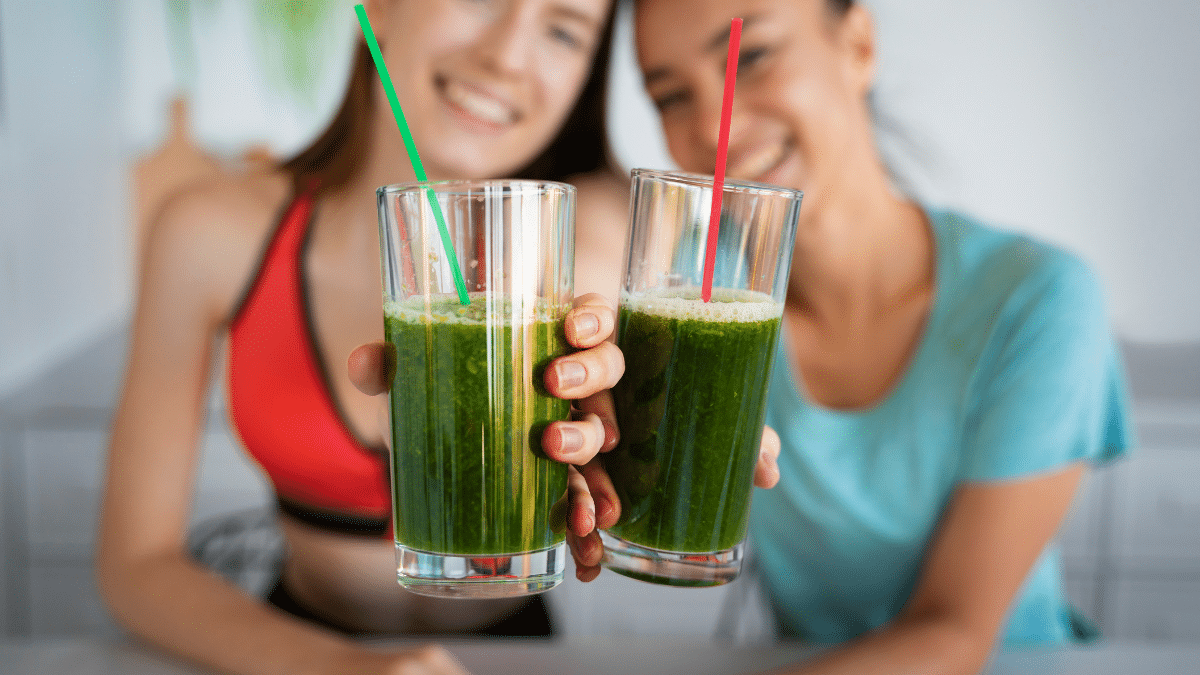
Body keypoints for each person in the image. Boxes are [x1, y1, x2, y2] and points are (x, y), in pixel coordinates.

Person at [569, 0, 1129, 673]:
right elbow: (593, 249)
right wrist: (573, 371)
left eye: (751, 58)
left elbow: (954, 631)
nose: (719, 128)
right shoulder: (691, 293)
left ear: (858, 44)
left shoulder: (1039, 298)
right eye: (670, 95)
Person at [97, 1, 631, 673]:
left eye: (562, 29)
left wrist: (651, 446)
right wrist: (339, 668)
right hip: (292, 647)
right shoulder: (209, 231)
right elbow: (136, 564)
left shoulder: (601, 242)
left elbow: (654, 463)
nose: (507, 55)